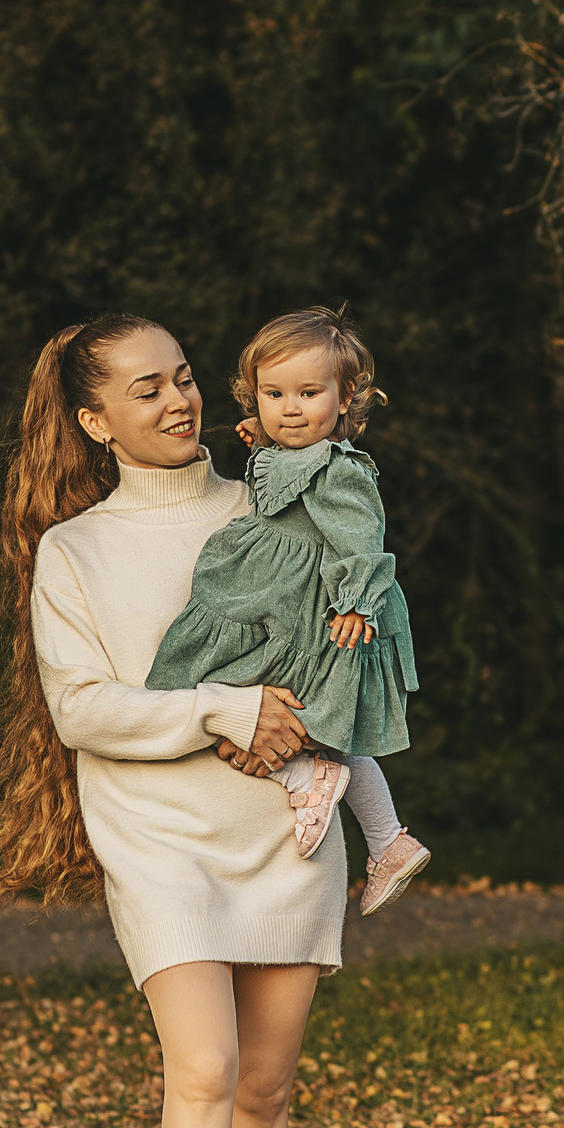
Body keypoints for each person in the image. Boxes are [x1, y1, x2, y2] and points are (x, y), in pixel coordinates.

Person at [0, 312, 343, 1128]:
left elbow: (340, 641)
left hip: (284, 828)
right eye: (146, 390)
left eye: (183, 378)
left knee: (266, 1088)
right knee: (206, 1071)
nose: (178, 402)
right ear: (95, 422)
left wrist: (312, 701)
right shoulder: (73, 552)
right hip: (159, 840)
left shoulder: (275, 504)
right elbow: (85, 709)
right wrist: (224, 704)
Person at [147, 308, 430, 916]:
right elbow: (281, 479)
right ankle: (387, 839)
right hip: (283, 606)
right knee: (264, 711)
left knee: (250, 706)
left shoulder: (339, 468)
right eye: (273, 395)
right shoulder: (289, 449)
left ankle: (314, 784)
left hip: (319, 618)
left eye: (308, 393)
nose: (290, 409)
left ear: (345, 395)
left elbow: (363, 537)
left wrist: (356, 603)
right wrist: (264, 435)